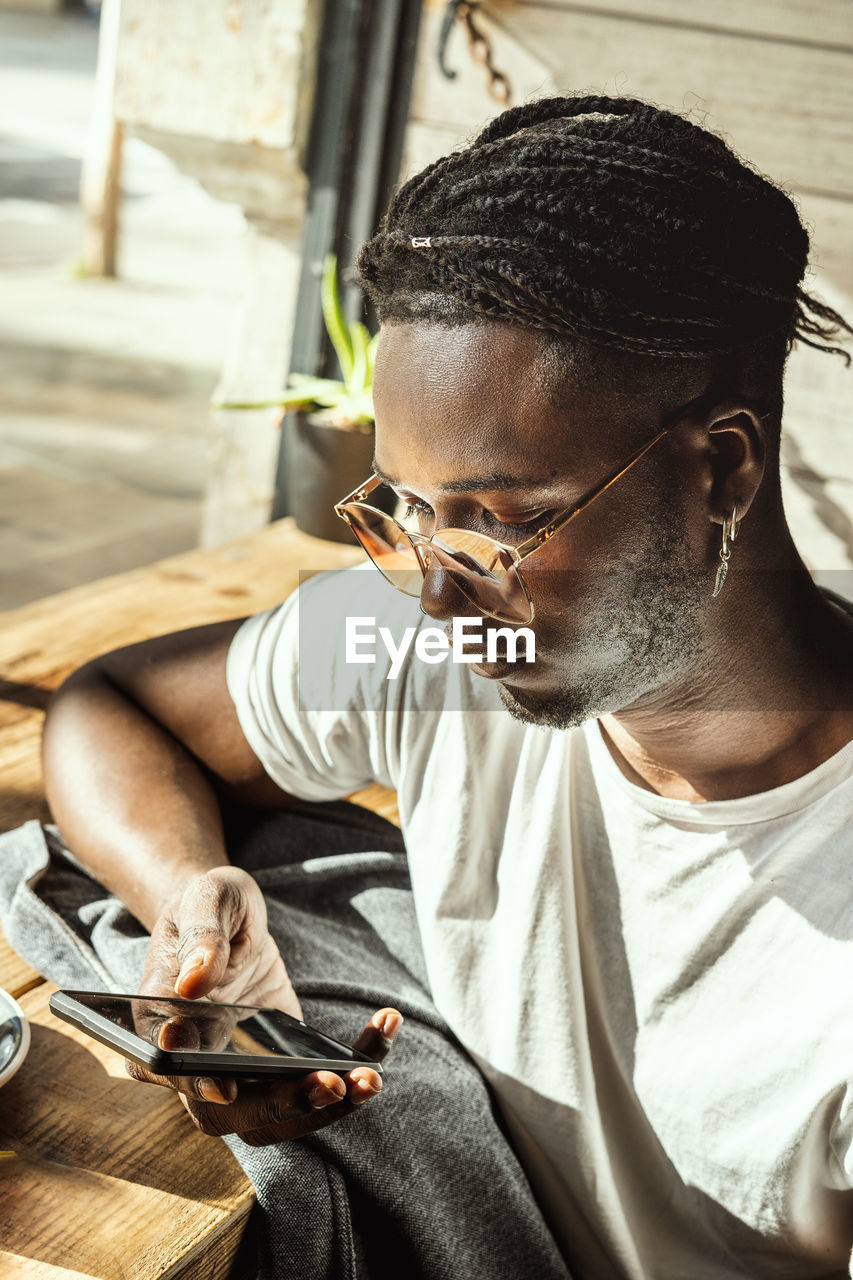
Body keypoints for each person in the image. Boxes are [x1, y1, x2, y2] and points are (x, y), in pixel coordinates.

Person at [41, 95, 853, 1278]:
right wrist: (192, 903)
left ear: (720, 466)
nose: (431, 590)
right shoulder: (457, 648)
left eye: (503, 520)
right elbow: (110, 706)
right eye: (408, 511)